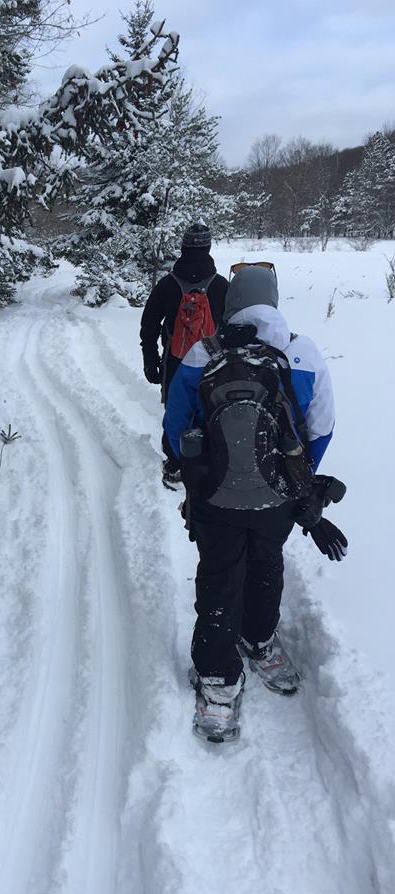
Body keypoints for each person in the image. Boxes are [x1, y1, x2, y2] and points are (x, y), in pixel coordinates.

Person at [163, 264, 337, 742]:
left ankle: (218, 681)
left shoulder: (203, 352)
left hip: (214, 500)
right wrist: (291, 480)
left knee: (219, 576)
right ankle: (259, 641)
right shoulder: (303, 353)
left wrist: (205, 478)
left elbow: (175, 427)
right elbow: (321, 427)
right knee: (266, 565)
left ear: (231, 304)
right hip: (278, 500)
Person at [140, 224, 229, 487]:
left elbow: (150, 325)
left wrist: (150, 359)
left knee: (177, 411)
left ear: (183, 247)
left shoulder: (168, 284)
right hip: (215, 360)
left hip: (176, 359)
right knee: (213, 408)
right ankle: (211, 461)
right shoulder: (222, 285)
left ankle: (176, 464)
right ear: (208, 248)